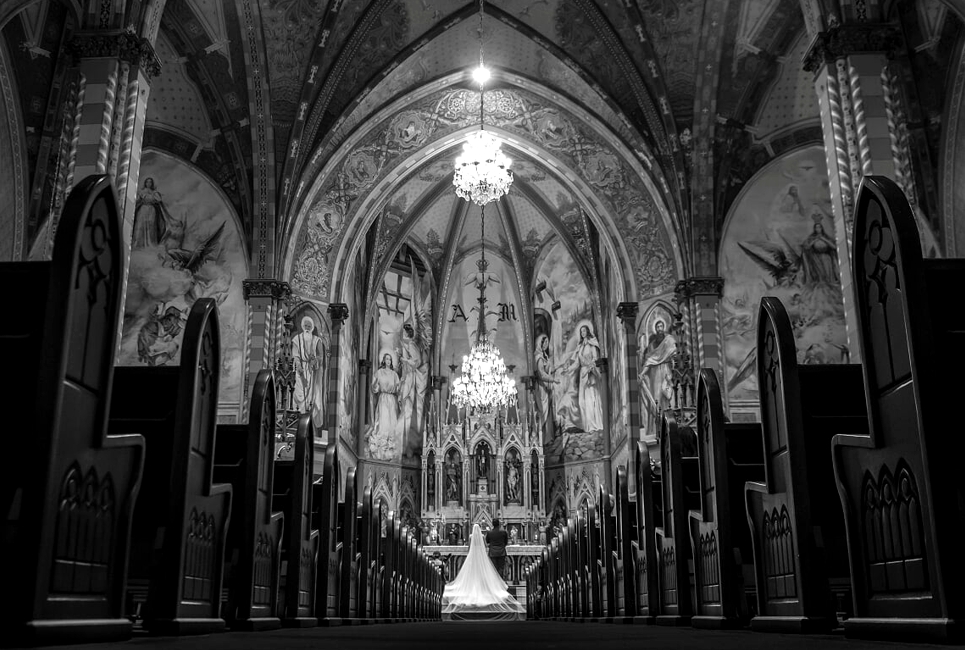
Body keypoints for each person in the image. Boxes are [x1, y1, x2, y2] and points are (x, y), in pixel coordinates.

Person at [441, 523, 525, 620]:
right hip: (481, 556)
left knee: (472, 572)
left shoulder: (471, 536)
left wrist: (470, 554)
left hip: (472, 556)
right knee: (482, 571)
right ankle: (482, 585)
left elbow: (469, 548)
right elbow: (485, 546)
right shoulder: (482, 536)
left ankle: (472, 585)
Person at [640, 319, 677, 438]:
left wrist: (673, 362)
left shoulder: (669, 340)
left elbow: (674, 353)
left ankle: (671, 423)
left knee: (667, 396)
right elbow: (649, 361)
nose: (660, 329)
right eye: (658, 327)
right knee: (656, 397)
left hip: (666, 370)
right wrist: (642, 373)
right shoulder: (652, 345)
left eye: (661, 326)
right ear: (655, 329)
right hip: (655, 374)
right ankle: (657, 426)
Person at [565, 324, 604, 432]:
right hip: (583, 375)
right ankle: (588, 426)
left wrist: (589, 369)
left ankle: (594, 425)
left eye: (584, 331)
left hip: (590, 374)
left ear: (588, 332)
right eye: (581, 331)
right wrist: (568, 370)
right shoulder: (580, 347)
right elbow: (577, 363)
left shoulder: (592, 345)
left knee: (591, 399)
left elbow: (595, 359)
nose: (583, 333)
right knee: (582, 402)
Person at [367, 353, 401, 460]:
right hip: (383, 399)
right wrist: (375, 384)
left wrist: (401, 387)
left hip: (392, 400)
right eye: (387, 359)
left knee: (393, 422)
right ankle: (382, 448)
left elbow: (398, 389)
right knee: (383, 422)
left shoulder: (394, 374)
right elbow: (374, 389)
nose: (388, 361)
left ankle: (391, 447)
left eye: (390, 359)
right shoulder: (379, 372)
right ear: (383, 360)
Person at [292, 316, 325, 426]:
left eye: (309, 326)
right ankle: (296, 418)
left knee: (311, 396)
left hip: (312, 372)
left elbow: (320, 356)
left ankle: (308, 419)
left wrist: (314, 361)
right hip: (299, 371)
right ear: (302, 326)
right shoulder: (296, 339)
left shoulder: (317, 340)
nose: (307, 328)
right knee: (298, 393)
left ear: (312, 327)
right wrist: (298, 366)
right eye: (305, 326)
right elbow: (295, 356)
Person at [132, 177, 171, 249]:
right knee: (140, 225)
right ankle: (138, 243)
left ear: (152, 184)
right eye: (147, 182)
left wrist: (154, 195)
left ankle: (151, 243)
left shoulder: (154, 193)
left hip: (151, 210)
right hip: (143, 209)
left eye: (150, 182)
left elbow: (159, 200)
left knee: (151, 226)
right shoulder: (141, 192)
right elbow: (136, 201)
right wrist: (140, 200)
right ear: (145, 183)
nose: (148, 183)